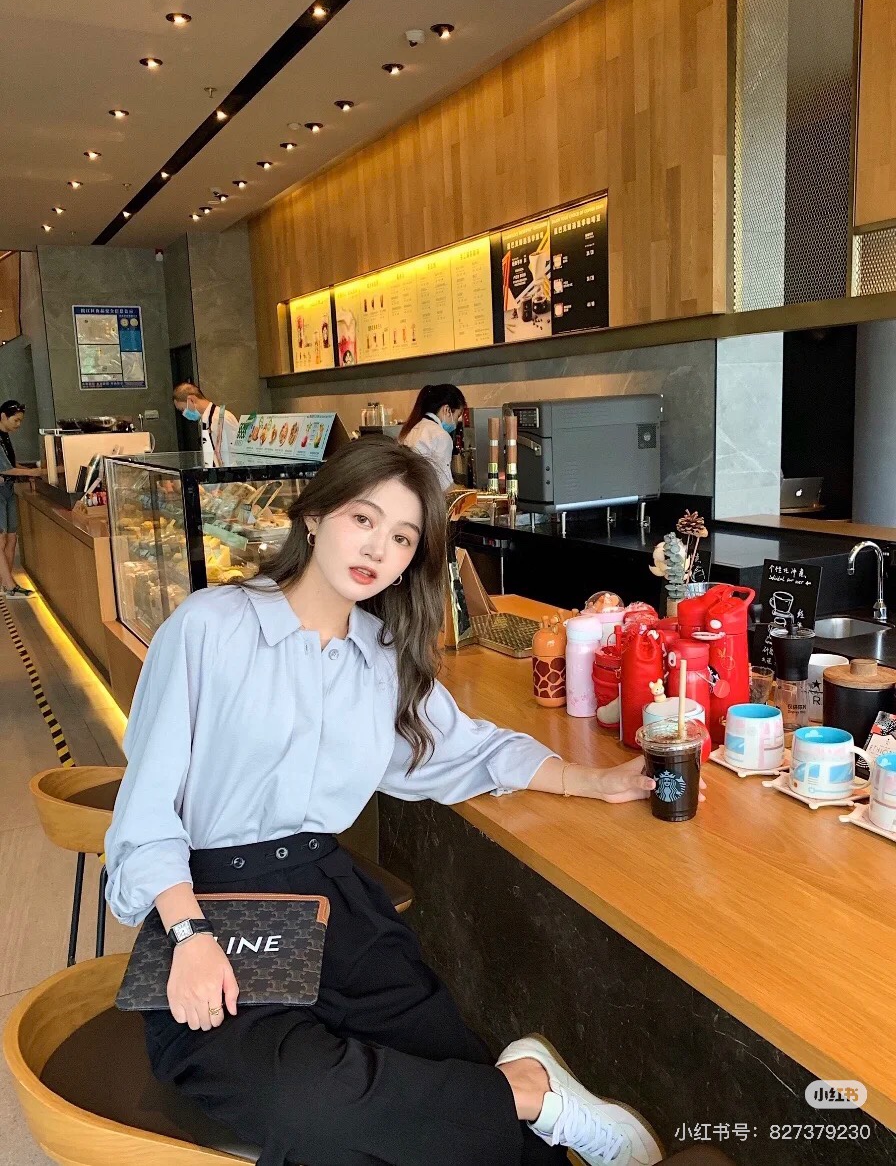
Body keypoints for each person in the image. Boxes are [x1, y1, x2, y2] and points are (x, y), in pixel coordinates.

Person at [105, 437, 668, 1166]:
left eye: (403, 537)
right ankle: (526, 1090)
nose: (379, 548)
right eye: (363, 519)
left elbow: (466, 750)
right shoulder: (211, 625)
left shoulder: (383, 657)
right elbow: (146, 807)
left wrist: (592, 780)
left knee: (443, 1079)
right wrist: (187, 935)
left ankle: (522, 1105)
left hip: (331, 901)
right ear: (316, 517)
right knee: (310, 1105)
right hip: (211, 901)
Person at [0, 400, 42, 599]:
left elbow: (11, 464)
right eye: (16, 420)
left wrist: (29, 471)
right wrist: (33, 472)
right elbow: (5, 469)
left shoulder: (5, 436)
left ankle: (6, 583)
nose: (19, 424)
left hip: (7, 489)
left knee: (11, 536)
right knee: (1, 539)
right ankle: (9, 585)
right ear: (3, 416)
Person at [399, 383, 466, 490]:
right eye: (457, 416)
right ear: (447, 410)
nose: (457, 422)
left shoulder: (416, 427)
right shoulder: (441, 436)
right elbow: (444, 486)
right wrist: (464, 491)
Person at [172, 383, 239, 467]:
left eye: (182, 409)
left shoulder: (221, 418)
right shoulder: (206, 419)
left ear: (191, 399)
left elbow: (234, 454)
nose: (183, 414)